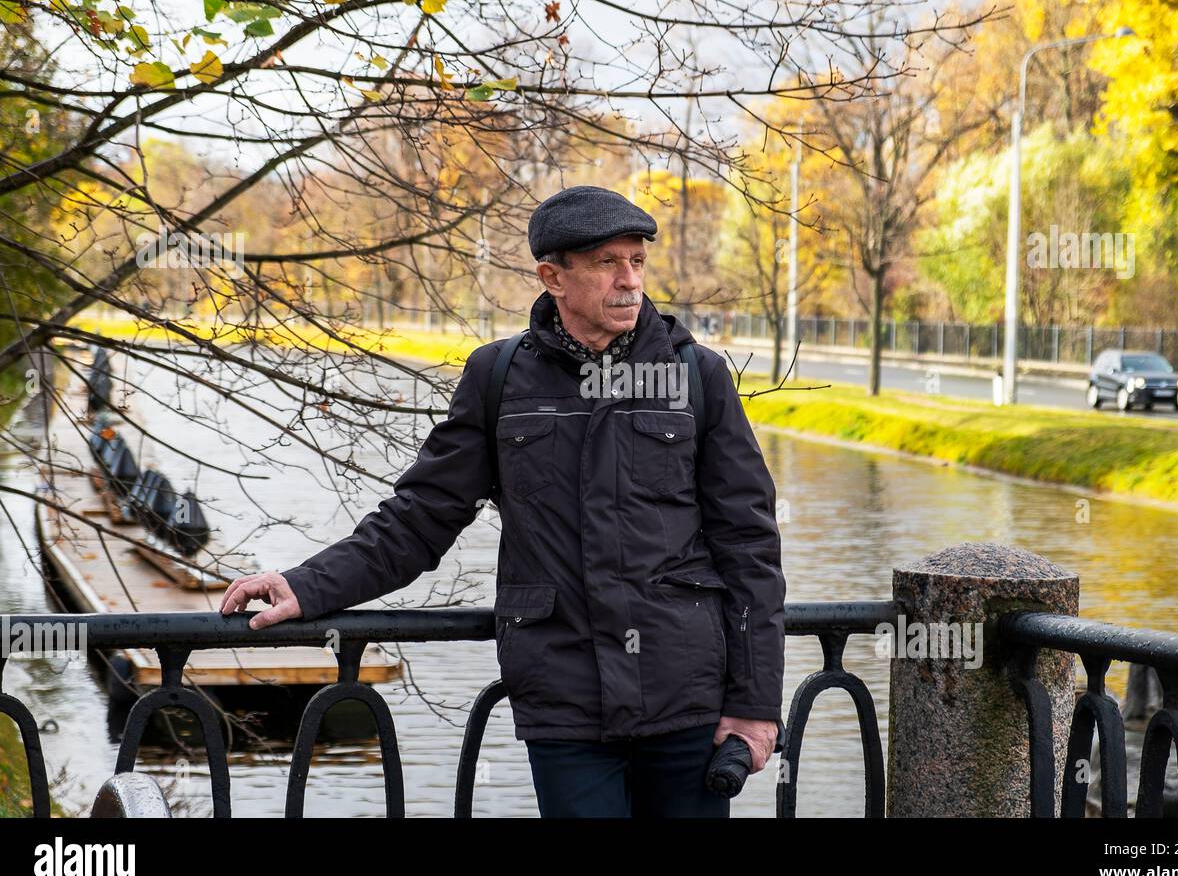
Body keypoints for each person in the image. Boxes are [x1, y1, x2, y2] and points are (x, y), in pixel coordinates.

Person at [220, 185, 786, 817]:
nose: (630, 280)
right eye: (607, 263)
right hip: (566, 704)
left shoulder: (696, 378)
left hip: (687, 699)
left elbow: (749, 547)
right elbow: (419, 519)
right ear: (553, 277)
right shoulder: (497, 379)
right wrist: (307, 586)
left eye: (637, 261)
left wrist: (755, 702)